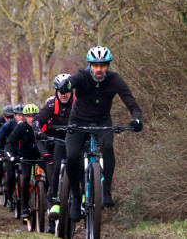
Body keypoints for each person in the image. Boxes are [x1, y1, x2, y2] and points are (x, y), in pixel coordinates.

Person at [58, 46, 143, 222]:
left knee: (108, 147)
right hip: (78, 120)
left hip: (102, 121)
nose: (99, 69)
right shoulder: (82, 76)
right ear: (89, 65)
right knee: (72, 156)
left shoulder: (115, 80)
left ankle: (106, 193)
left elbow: (131, 103)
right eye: (95, 65)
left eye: (103, 65)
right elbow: (71, 81)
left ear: (108, 66)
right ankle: (75, 197)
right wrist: (65, 85)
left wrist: (136, 119)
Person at [32, 73, 75, 234]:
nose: (64, 94)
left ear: (72, 91)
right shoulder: (51, 104)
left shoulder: (80, 103)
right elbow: (38, 120)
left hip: (75, 141)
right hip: (57, 141)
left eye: (67, 91)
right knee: (54, 172)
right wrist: (38, 131)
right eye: (60, 91)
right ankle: (51, 220)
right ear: (56, 91)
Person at [5, 104, 41, 220]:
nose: (32, 119)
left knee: (50, 176)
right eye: (29, 116)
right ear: (25, 117)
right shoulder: (21, 127)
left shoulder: (42, 126)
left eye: (34, 116)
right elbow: (10, 142)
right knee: (25, 178)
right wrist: (11, 156)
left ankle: (47, 201)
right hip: (25, 157)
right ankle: (25, 207)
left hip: (40, 157)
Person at [0, 104, 25, 202]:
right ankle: (10, 196)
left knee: (26, 176)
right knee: (10, 177)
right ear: (15, 116)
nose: (21, 117)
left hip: (23, 153)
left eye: (23, 115)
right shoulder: (8, 125)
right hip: (10, 153)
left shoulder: (28, 125)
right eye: (19, 115)